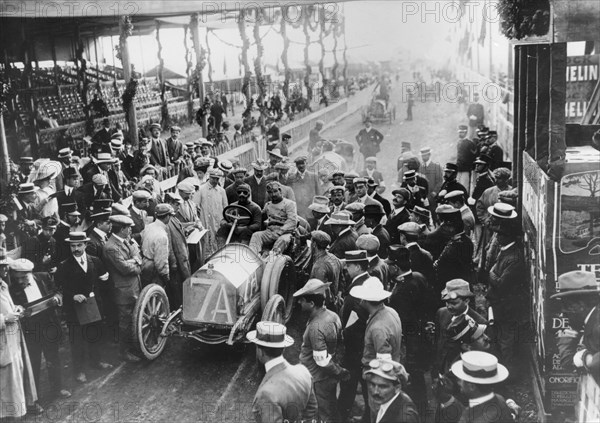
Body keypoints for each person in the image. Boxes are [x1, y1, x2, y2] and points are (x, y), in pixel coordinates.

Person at [8, 259, 71, 399]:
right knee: (33, 362)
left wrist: (57, 298)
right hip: (31, 330)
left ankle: (57, 389)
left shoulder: (43, 277)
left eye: (23, 277)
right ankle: (34, 398)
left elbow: (57, 291)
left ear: (30, 273)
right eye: (16, 278)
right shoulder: (12, 289)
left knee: (53, 358)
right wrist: (21, 311)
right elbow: (14, 308)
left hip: (49, 325)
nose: (19, 281)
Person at [54, 232, 113, 383]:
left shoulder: (95, 261)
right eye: (73, 246)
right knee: (77, 340)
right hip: (74, 309)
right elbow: (59, 288)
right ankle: (79, 370)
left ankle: (96, 361)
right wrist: (72, 296)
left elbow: (103, 282)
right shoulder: (64, 266)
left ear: (86, 245)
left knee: (94, 333)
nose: (76, 249)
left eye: (79, 245)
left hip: (93, 306)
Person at [294, 279, 348, 422]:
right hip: (328, 378)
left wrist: (339, 372)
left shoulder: (316, 327)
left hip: (317, 380)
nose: (299, 303)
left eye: (302, 300)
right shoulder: (333, 316)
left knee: (321, 415)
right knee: (330, 408)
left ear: (311, 304)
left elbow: (322, 361)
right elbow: (340, 344)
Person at [247, 321, 318, 422]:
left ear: (260, 352)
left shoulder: (266, 395)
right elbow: (311, 409)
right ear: (283, 349)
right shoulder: (303, 371)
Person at [1, 249, 42, 419]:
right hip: (3, 342)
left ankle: (15, 414)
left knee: (14, 383)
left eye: (5, 266)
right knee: (5, 386)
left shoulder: (2, 285)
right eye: (2, 266)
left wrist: (14, 310)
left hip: (13, 340)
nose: (5, 270)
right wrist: (5, 318)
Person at [485, 213, 526, 375]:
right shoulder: (505, 251)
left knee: (506, 341)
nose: (497, 237)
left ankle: (507, 374)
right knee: (499, 339)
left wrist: (491, 273)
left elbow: (501, 283)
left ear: (509, 237)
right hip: (499, 305)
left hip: (507, 308)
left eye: (500, 234)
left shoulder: (514, 258)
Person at [102, 215, 143, 363]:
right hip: (123, 291)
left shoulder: (125, 240)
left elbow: (138, 255)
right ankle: (124, 352)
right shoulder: (111, 247)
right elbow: (125, 268)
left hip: (132, 287)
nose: (131, 229)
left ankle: (133, 346)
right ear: (123, 229)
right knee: (125, 322)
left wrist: (134, 260)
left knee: (134, 318)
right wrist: (137, 264)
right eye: (129, 227)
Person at [338, 250, 372, 422]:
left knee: (349, 384)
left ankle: (342, 415)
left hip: (355, 349)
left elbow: (351, 326)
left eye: (349, 265)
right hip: (364, 347)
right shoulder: (370, 281)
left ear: (358, 267)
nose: (346, 268)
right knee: (366, 387)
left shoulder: (355, 293)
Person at [551, 271, 599, 385]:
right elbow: (568, 363)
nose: (563, 313)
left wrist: (585, 358)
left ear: (581, 305)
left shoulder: (597, 325)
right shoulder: (591, 321)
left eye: (566, 306)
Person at [433, 280, 486, 376]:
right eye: (447, 302)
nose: (449, 307)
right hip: (442, 370)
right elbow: (438, 343)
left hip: (464, 376)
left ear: (466, 301)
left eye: (454, 303)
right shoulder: (441, 313)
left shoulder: (480, 323)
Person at [451, 351, 513, 423]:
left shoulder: (476, 419)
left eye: (461, 380)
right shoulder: (499, 398)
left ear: (471, 387)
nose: (458, 382)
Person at [364, 359, 419, 423]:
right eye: (373, 384)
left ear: (397, 388)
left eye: (382, 386)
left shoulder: (404, 418)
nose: (375, 391)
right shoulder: (389, 400)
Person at [249, 181, 297, 255]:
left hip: (285, 233)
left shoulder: (289, 204)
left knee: (282, 240)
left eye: (275, 191)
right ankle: (253, 257)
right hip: (270, 232)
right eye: (270, 192)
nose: (273, 194)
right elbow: (259, 214)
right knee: (256, 235)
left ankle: (271, 260)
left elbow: (292, 221)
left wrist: (280, 231)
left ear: (280, 190)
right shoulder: (268, 205)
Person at [434, 205, 474, 289]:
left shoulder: (460, 244)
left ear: (453, 227)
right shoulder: (460, 239)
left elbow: (455, 269)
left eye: (445, 225)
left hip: (456, 286)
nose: (442, 227)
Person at [309, 231, 344, 310]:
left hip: (325, 307)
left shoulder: (319, 266)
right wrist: (339, 295)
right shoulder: (334, 258)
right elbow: (342, 280)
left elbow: (321, 291)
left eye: (311, 241)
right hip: (335, 303)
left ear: (314, 244)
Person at [197, 169, 228, 257]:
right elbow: (197, 207)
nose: (215, 181)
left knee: (218, 244)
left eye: (217, 179)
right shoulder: (201, 189)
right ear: (209, 177)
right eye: (213, 178)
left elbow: (226, 207)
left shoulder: (222, 191)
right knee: (206, 245)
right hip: (206, 221)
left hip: (218, 222)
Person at [141, 204, 173, 287]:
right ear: (167, 217)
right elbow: (161, 263)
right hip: (154, 270)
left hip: (145, 264)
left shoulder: (148, 227)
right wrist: (166, 277)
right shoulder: (162, 236)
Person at [420, 146, 443, 212]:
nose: (423, 157)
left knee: (434, 213)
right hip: (423, 197)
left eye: (425, 155)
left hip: (432, 196)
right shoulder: (420, 167)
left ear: (429, 155)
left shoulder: (436, 166)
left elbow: (440, 181)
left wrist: (434, 192)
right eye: (422, 156)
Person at [456, 124, 477, 190]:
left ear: (466, 133)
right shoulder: (459, 142)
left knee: (465, 187)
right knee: (458, 186)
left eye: (462, 132)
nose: (460, 134)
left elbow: (473, 156)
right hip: (459, 168)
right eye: (460, 132)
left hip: (466, 169)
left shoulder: (469, 143)